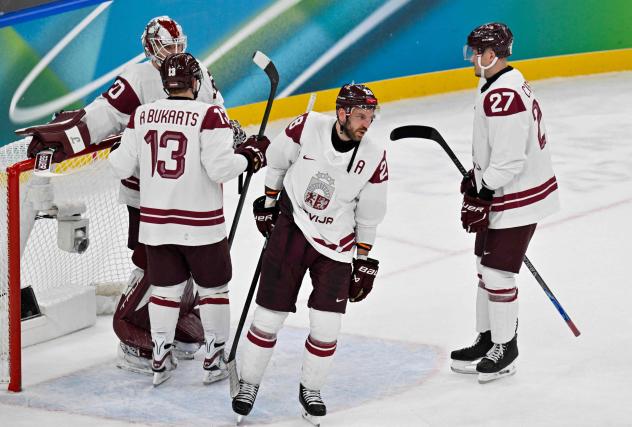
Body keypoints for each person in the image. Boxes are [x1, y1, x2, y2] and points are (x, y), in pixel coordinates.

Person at [18, 16, 246, 376]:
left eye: (177, 45)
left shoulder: (196, 68)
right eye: (166, 46)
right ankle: (134, 329)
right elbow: (101, 116)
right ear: (149, 48)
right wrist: (69, 136)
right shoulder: (138, 79)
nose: (173, 52)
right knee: (154, 260)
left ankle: (178, 318)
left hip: (195, 191)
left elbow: (219, 112)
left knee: (189, 263)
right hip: (151, 196)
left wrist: (232, 135)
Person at [108, 52, 269, 386]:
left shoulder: (142, 115)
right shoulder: (210, 114)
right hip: (201, 226)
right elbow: (222, 168)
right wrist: (249, 156)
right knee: (213, 291)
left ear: (167, 82)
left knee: (165, 292)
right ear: (195, 82)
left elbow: (121, 166)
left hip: (156, 225)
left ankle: (160, 359)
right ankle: (213, 361)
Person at [231, 83, 388, 423]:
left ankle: (311, 389)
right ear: (342, 113)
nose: (366, 123)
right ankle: (249, 384)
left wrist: (363, 260)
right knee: (268, 317)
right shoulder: (307, 126)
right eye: (361, 115)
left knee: (327, 325)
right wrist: (269, 204)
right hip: (292, 227)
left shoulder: (374, 156)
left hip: (337, 243)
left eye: (371, 116)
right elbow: (277, 163)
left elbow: (370, 213)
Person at [451, 22, 560, 383]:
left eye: (476, 52)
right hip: (505, 190)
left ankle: (505, 347)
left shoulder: (505, 95)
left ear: (492, 54)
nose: (471, 58)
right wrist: (478, 178)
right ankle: (487, 340)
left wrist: (482, 191)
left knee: (498, 273)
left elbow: (510, 162)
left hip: (517, 197)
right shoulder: (501, 84)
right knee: (484, 267)